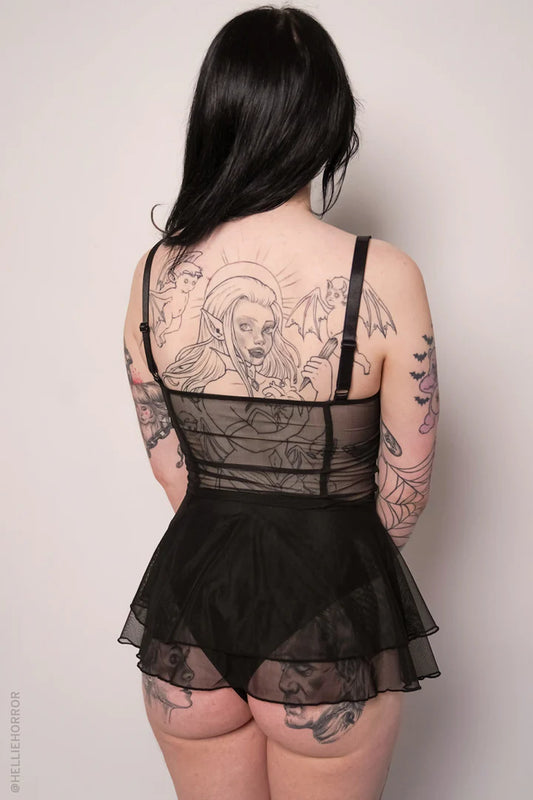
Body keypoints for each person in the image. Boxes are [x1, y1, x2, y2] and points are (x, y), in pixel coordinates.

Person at [117, 5, 441, 799]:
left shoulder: (155, 273)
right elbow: (404, 490)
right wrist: (314, 581)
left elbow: (170, 471)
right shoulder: (381, 275)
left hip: (192, 617)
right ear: (328, 124)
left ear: (217, 116)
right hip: (328, 616)